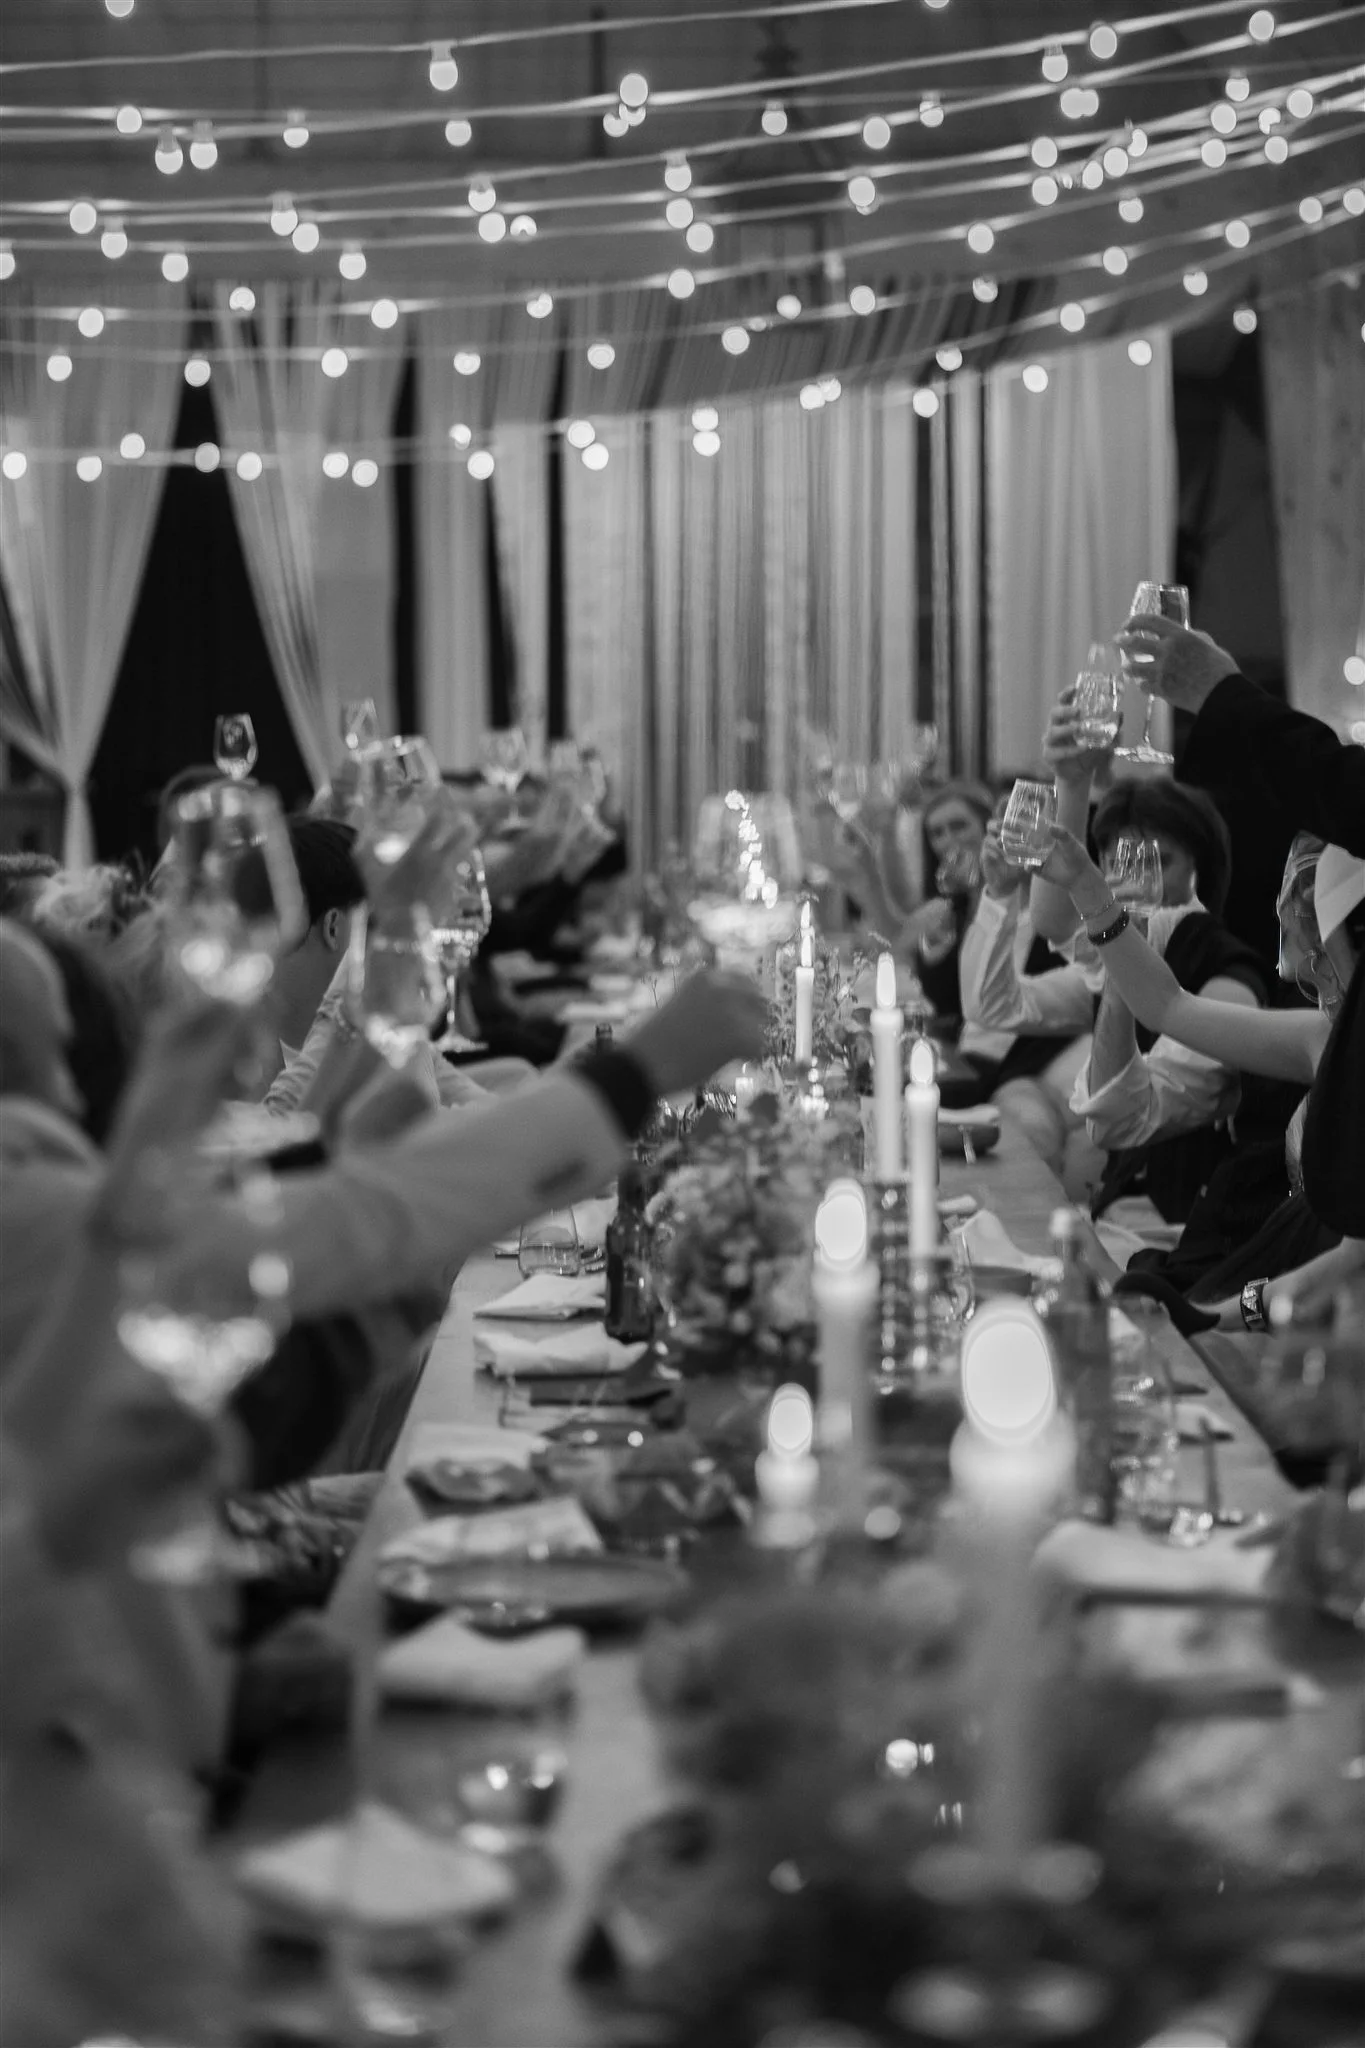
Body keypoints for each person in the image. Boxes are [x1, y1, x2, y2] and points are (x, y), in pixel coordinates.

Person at [1038, 825, 1364, 1313]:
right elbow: (1167, 1007)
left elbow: (1349, 1259)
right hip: (1281, 1272)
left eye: (1325, 955)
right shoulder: (1322, 1037)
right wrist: (1088, 888)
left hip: (1323, 1300)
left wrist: (1214, 1316)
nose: (1319, 980)